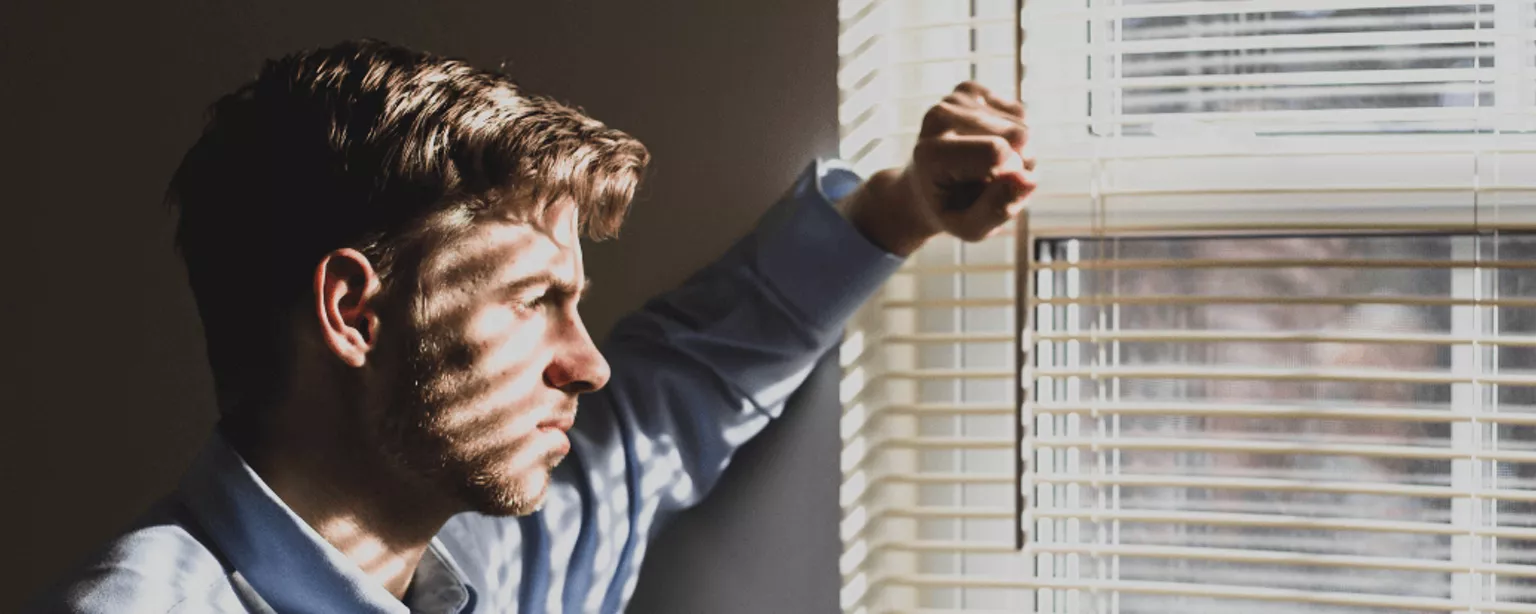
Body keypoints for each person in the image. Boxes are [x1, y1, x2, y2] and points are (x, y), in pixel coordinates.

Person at [26, 39, 1034, 613]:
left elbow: (682, 387)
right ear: (354, 310)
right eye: (537, 300)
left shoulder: (492, 562)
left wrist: (905, 208)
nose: (588, 362)